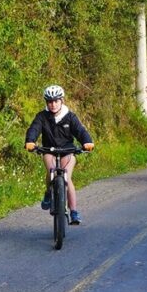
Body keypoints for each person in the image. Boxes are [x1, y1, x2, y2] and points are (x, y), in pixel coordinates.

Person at [23, 84, 94, 225]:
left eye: (56, 101)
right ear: (46, 102)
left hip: (67, 151)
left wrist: (87, 142)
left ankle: (73, 212)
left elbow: (80, 131)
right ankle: (48, 192)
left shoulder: (70, 117)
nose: (53, 104)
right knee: (52, 171)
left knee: (66, 176)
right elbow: (34, 129)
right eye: (50, 101)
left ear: (62, 101)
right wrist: (30, 141)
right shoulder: (42, 116)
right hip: (48, 150)